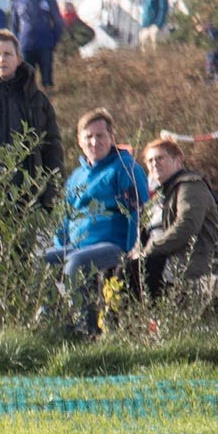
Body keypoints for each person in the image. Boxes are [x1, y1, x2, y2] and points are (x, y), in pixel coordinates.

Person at [43, 109, 149, 334]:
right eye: (88, 136)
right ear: (80, 141)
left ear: (111, 137)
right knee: (42, 263)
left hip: (113, 244)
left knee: (76, 264)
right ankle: (52, 326)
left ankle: (87, 331)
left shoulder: (124, 168)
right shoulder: (76, 177)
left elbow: (138, 212)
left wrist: (132, 249)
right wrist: (60, 247)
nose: (94, 141)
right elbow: (64, 217)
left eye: (100, 136)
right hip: (78, 245)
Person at [0, 29, 64, 223]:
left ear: (18, 59)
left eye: (7, 54)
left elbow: (53, 149)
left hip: (27, 200)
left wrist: (51, 194)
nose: (2, 59)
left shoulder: (37, 101)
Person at [126, 138, 218, 300]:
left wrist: (149, 251)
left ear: (178, 161)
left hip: (188, 263)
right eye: (150, 160)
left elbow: (186, 226)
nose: (154, 164)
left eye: (160, 158)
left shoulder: (191, 186)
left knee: (131, 273)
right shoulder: (158, 198)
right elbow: (143, 236)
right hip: (160, 259)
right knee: (114, 272)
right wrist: (136, 254)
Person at [9, 0, 63, 88]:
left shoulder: (49, 1)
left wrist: (54, 40)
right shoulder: (18, 2)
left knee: (47, 79)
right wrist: (17, 44)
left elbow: (58, 22)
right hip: (26, 46)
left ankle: (49, 98)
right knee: (27, 80)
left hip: (45, 44)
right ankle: (30, 100)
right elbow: (14, 26)